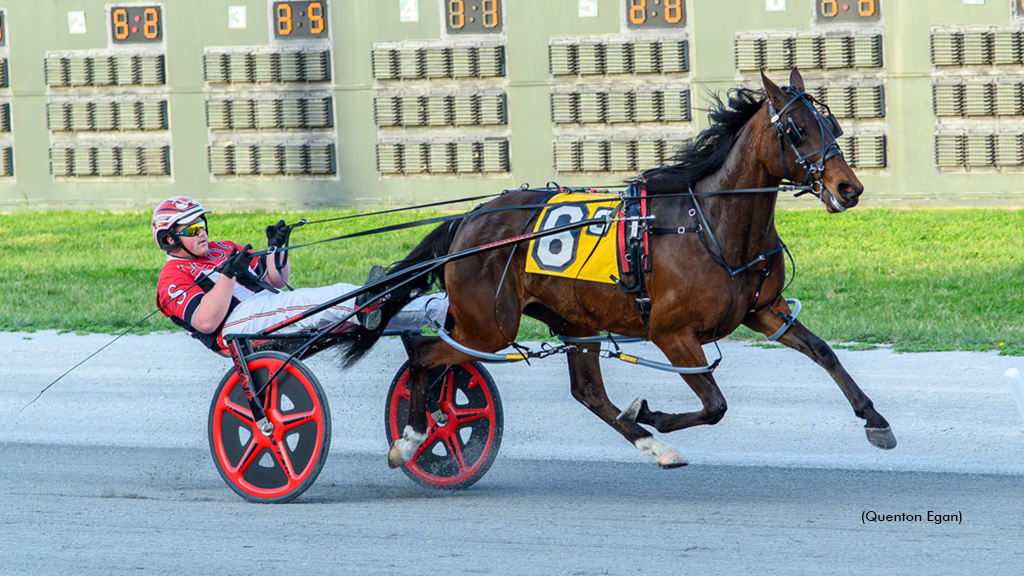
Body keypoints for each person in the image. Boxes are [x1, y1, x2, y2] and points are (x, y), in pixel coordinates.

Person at [152, 196, 447, 353]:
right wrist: (228, 276)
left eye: (202, 224)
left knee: (340, 302)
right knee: (322, 298)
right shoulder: (171, 278)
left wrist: (276, 248)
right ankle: (361, 304)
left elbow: (275, 280)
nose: (202, 232)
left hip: (270, 307)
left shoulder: (222, 248)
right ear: (169, 239)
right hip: (236, 328)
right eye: (191, 230)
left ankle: (439, 309)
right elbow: (205, 321)